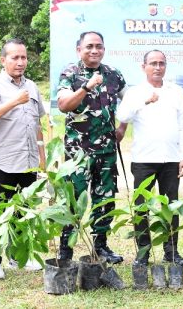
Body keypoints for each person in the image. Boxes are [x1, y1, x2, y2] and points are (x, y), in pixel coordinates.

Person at [0, 39, 47, 280]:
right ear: (3, 60)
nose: (20, 62)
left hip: (28, 160)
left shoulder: (32, 86)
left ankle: (19, 255)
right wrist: (14, 101)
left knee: (24, 210)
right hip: (2, 161)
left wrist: (43, 159)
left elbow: (38, 125)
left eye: (23, 57)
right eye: (15, 57)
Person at [56, 31, 127, 264]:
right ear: (79, 49)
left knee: (104, 198)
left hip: (106, 151)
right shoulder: (70, 73)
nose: (94, 50)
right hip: (78, 153)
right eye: (89, 46)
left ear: (104, 49)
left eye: (99, 46)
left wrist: (123, 127)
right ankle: (66, 251)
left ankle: (101, 247)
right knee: (74, 199)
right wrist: (85, 87)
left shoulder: (113, 74)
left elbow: (130, 102)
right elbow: (64, 105)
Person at [117, 50, 183, 266]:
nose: (157, 67)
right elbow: (122, 116)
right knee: (142, 207)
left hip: (171, 159)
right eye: (153, 63)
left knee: (171, 206)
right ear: (143, 67)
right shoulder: (135, 92)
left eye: (161, 63)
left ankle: (172, 251)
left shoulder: (176, 91)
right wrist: (144, 102)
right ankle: (143, 252)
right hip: (144, 160)